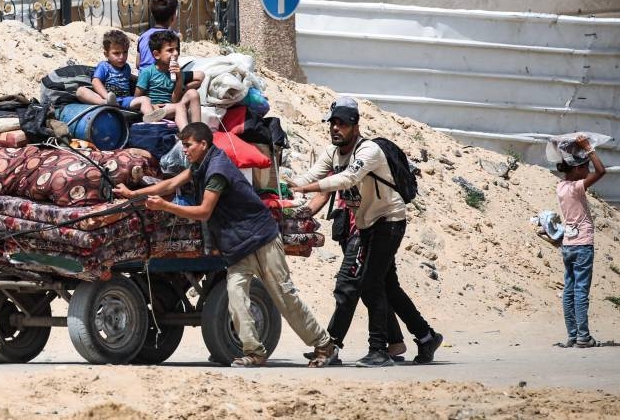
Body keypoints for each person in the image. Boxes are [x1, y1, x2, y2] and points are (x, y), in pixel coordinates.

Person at [114, 123, 339, 367]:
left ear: (203, 144)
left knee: (284, 295)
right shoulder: (199, 165)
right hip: (237, 245)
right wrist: (133, 194)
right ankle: (254, 352)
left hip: (260, 238)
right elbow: (170, 185)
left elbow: (203, 211)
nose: (185, 150)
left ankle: (325, 345)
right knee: (236, 296)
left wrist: (165, 206)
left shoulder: (217, 170)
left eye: (188, 145)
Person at [289, 96, 443, 367]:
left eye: (342, 124)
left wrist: (307, 189)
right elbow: (309, 177)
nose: (336, 128)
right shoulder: (333, 152)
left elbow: (347, 178)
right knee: (387, 285)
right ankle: (426, 336)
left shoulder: (369, 151)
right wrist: (286, 184)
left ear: (355, 126)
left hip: (389, 221)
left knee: (369, 285)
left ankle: (379, 350)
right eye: (332, 123)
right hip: (366, 224)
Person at [302, 188, 408, 365]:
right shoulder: (338, 160)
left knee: (347, 286)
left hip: (365, 233)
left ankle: (332, 345)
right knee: (375, 287)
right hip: (351, 232)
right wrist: (299, 215)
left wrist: (303, 189)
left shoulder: (364, 161)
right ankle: (409, 339)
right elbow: (323, 192)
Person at [555, 134, 606, 348]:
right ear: (577, 170)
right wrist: (589, 149)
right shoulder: (577, 187)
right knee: (580, 291)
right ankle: (583, 337)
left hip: (568, 244)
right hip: (583, 244)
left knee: (569, 290)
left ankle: (573, 335)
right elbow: (601, 171)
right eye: (584, 167)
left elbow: (588, 172)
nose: (587, 171)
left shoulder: (561, 186)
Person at [76, 29, 165, 122]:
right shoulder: (104, 66)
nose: (122, 57)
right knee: (80, 91)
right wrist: (107, 97)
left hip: (124, 100)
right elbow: (95, 81)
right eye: (116, 53)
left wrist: (144, 79)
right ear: (106, 54)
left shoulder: (126, 67)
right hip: (105, 99)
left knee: (145, 99)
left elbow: (130, 77)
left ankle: (150, 118)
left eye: (125, 52)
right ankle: (106, 103)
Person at [134, 30, 203, 130]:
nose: (175, 53)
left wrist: (180, 78)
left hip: (171, 106)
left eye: (176, 49)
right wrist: (152, 106)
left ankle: (198, 129)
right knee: (178, 107)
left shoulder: (177, 72)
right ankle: (186, 133)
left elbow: (174, 100)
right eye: (170, 50)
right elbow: (137, 98)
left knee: (193, 93)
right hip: (154, 108)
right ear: (157, 54)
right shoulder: (147, 72)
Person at [137, 0, 179, 69]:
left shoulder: (143, 36)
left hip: (143, 76)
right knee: (200, 75)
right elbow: (173, 62)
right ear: (173, 17)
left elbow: (138, 64)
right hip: (162, 77)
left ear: (152, 16)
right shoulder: (173, 36)